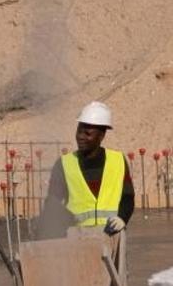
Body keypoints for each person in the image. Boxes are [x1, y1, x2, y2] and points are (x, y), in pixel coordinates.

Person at [38, 101, 134, 237]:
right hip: (77, 237)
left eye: (88, 134)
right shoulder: (64, 164)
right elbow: (52, 203)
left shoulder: (118, 160)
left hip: (112, 235)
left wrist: (122, 218)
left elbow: (128, 197)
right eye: (79, 131)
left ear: (101, 136)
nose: (81, 137)